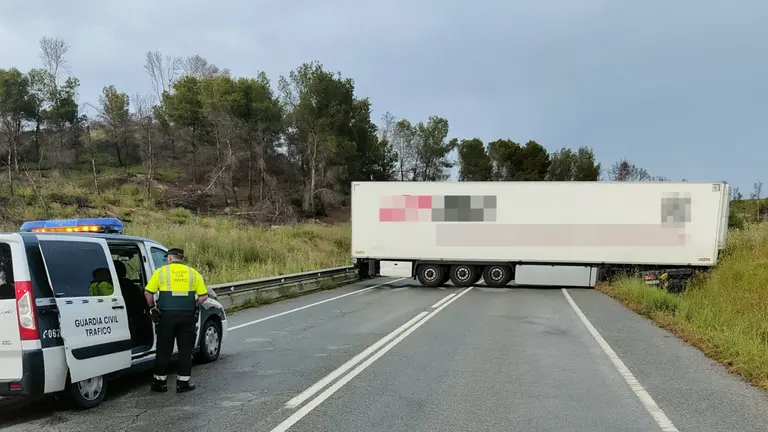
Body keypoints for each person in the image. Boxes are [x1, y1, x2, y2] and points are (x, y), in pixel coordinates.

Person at [143, 248, 209, 393]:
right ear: (182, 259)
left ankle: (160, 384)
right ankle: (183, 383)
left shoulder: (161, 272)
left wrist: (152, 308)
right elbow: (203, 296)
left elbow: (148, 293)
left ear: (169, 259)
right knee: (185, 350)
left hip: (166, 317)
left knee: (163, 350)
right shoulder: (193, 273)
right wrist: (192, 304)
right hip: (187, 316)